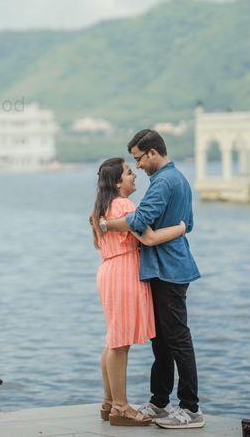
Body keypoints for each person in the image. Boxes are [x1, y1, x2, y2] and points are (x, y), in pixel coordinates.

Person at [100, 129, 203, 429]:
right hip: (164, 268)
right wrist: (179, 229)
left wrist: (106, 223)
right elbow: (189, 223)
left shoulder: (164, 182)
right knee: (162, 341)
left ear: (153, 153)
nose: (139, 167)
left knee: (177, 338)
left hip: (169, 269)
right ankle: (160, 400)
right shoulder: (176, 180)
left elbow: (139, 222)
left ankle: (190, 408)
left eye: (139, 160)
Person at [91, 157, 186, 427]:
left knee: (113, 340)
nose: (134, 176)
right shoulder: (123, 205)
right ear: (118, 182)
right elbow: (150, 238)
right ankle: (121, 407)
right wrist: (181, 227)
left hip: (109, 270)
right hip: (122, 272)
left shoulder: (102, 206)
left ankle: (109, 402)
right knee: (120, 343)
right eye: (129, 172)